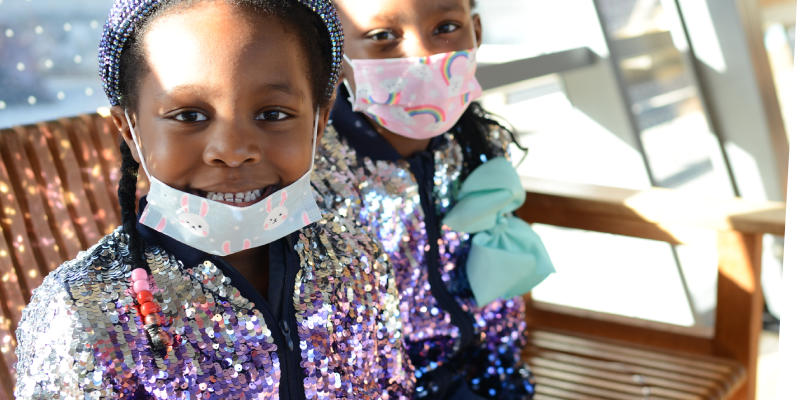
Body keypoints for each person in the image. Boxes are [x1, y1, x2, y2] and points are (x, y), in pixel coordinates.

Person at [14, 0, 415, 398]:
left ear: (319, 121)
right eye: (189, 115)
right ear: (129, 129)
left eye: (273, 114)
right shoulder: (81, 310)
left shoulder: (355, 257)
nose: (233, 149)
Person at [312, 0, 556, 399]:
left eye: (445, 26)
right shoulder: (313, 171)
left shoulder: (478, 140)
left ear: (476, 31)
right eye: (382, 36)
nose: (423, 55)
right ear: (333, 53)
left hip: (487, 373)